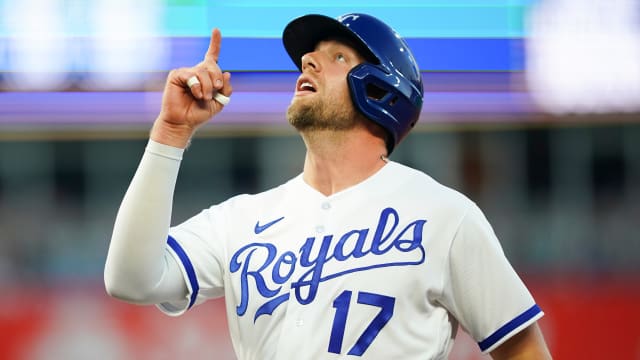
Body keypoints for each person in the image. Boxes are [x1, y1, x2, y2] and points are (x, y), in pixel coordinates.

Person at [104, 13, 552, 359]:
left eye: (338, 56)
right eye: (309, 55)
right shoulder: (242, 219)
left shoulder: (445, 216)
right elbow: (130, 280)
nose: (309, 61)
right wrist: (170, 134)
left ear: (380, 90)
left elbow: (523, 349)